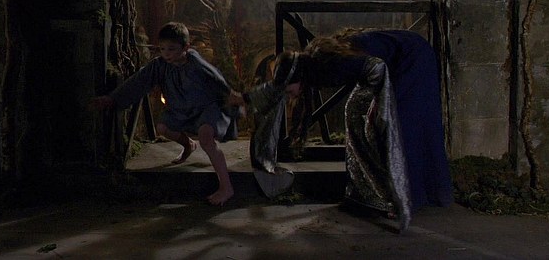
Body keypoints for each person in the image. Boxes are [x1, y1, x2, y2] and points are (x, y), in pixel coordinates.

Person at [242, 28, 453, 232]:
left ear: (298, 77)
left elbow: (376, 67)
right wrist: (245, 99)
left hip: (410, 59)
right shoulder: (311, 65)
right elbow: (276, 89)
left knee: (401, 128)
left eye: (290, 90)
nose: (290, 96)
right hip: (391, 64)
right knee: (354, 112)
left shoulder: (329, 67)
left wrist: (379, 103)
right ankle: (369, 193)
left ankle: (410, 198)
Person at [90, 22, 238, 206]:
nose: (166, 53)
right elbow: (139, 81)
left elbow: (215, 77)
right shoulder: (160, 65)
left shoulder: (194, 62)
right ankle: (188, 145)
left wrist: (231, 97)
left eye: (172, 49)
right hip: (181, 110)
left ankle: (226, 187)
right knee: (162, 127)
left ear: (185, 47)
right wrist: (112, 99)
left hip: (205, 108)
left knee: (206, 138)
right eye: (162, 49)